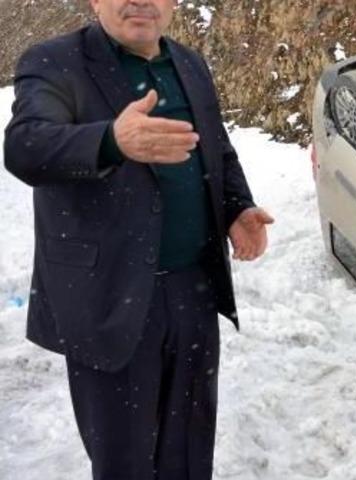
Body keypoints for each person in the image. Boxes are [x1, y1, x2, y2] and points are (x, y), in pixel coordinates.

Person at [3, 1, 274, 478]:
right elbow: (26, 147)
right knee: (125, 464)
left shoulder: (188, 61)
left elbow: (216, 145)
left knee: (189, 454)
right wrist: (110, 140)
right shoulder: (55, 62)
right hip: (109, 300)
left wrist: (236, 207)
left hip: (193, 290)